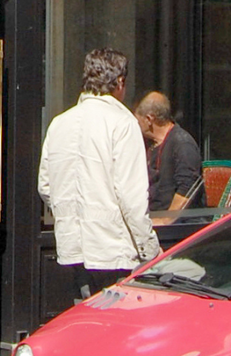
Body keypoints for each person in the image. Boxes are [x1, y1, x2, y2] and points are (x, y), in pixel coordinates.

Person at [37, 49, 156, 298]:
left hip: (74, 246)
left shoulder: (59, 123)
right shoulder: (123, 123)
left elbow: (46, 186)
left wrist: (72, 214)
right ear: (120, 82)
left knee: (86, 324)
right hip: (115, 251)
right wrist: (150, 250)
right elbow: (131, 197)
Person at [133, 91, 201, 214]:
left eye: (138, 121)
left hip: (176, 226)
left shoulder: (182, 144)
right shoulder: (150, 144)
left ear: (149, 119)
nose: (136, 126)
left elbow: (187, 188)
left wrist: (166, 220)